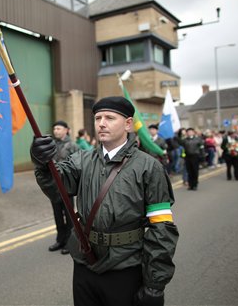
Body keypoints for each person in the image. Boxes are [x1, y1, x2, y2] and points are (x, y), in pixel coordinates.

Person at [31, 96, 179, 306]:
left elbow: (162, 229)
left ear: (128, 124)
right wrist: (42, 163)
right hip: (84, 262)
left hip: (125, 266)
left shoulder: (149, 167)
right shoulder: (81, 160)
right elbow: (57, 188)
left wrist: (155, 285)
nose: (101, 123)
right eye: (98, 117)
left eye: (110, 117)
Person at [47, 120, 80, 255]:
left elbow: (78, 164)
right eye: (55, 129)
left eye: (59, 128)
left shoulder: (73, 145)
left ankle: (69, 241)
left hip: (67, 185)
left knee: (69, 215)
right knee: (57, 214)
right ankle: (60, 240)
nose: (56, 131)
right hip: (53, 185)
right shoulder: (51, 145)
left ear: (66, 130)